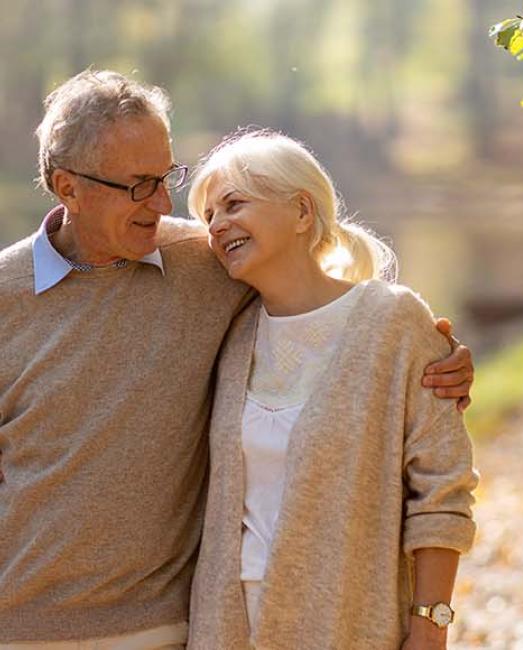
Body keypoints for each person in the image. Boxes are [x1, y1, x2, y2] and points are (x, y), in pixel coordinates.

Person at [0, 70, 475, 649]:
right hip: (21, 628)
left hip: (164, 627)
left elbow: (326, 306)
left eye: (166, 178)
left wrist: (437, 361)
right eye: (139, 185)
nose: (163, 204)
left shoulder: (203, 263)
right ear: (67, 187)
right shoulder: (7, 295)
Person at [184, 129, 476, 649]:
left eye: (233, 204)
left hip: (348, 626)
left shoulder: (393, 322)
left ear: (302, 211)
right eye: (208, 216)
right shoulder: (228, 334)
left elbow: (441, 487)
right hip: (226, 630)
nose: (217, 225)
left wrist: (430, 625)